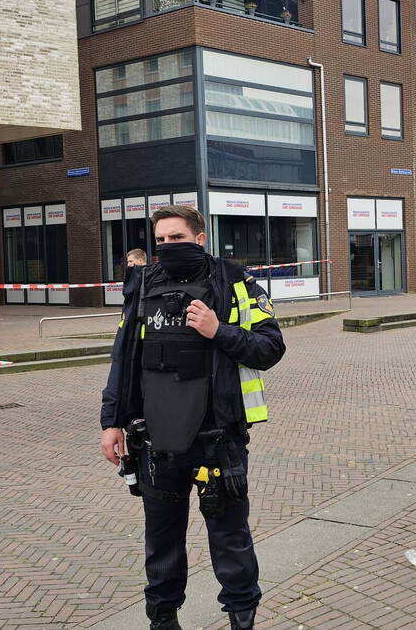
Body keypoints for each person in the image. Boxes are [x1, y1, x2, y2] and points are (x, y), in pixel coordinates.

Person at [100, 205, 285, 630]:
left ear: (200, 238)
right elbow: (124, 360)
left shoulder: (237, 281)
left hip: (218, 436)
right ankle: (163, 619)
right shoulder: (144, 284)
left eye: (176, 238)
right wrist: (111, 422)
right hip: (156, 438)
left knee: (230, 536)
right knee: (162, 538)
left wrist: (217, 329)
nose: (166, 247)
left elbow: (270, 348)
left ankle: (242, 616)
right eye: (160, 240)